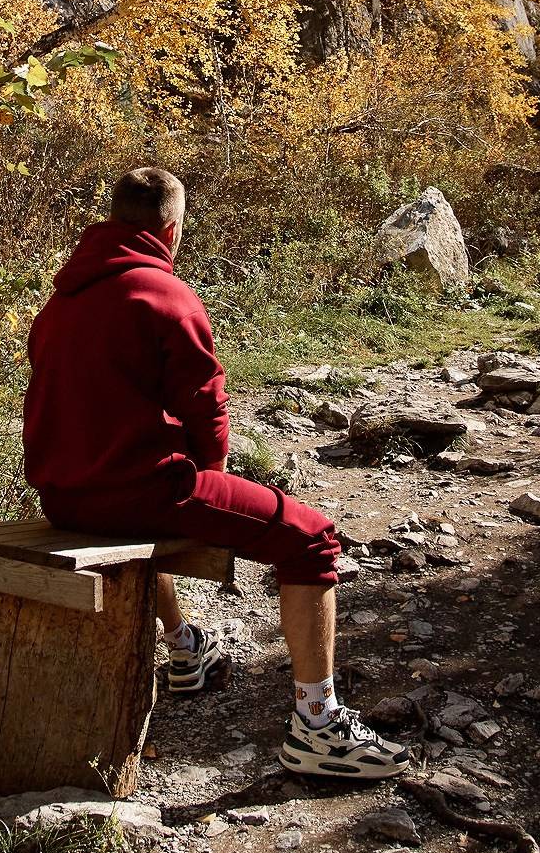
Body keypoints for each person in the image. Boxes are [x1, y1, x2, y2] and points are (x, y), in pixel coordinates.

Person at [24, 166, 408, 780]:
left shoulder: (59, 303)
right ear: (171, 229)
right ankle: (319, 726)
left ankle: (184, 650)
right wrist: (211, 480)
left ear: (109, 221)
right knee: (313, 539)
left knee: (139, 528)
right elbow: (206, 402)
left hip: (63, 498)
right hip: (141, 491)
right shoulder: (163, 295)